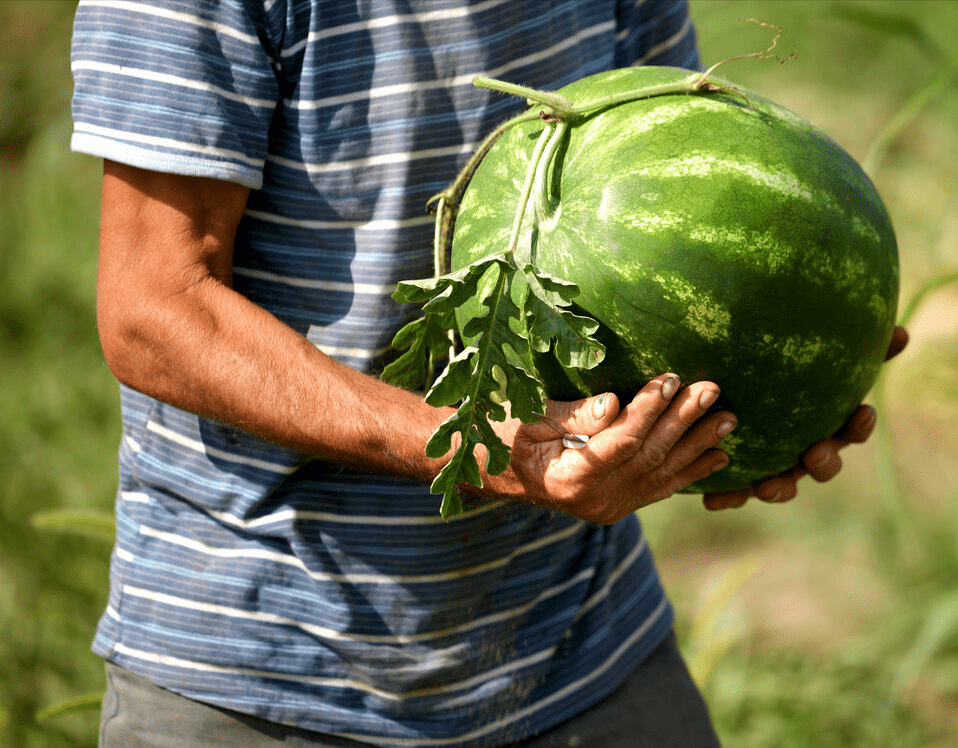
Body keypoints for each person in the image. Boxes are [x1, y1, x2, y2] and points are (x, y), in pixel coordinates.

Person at [71, 1, 908, 746]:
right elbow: (155, 310)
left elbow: (693, 149)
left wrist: (770, 380)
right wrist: (486, 453)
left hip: (583, 649)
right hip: (269, 676)